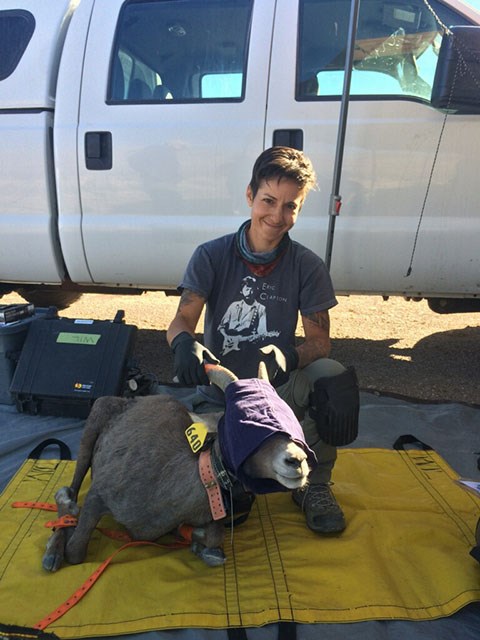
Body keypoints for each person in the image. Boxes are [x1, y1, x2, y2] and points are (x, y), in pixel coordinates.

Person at [167, 146, 359, 535]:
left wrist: (288, 356)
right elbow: (182, 320)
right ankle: (235, 477)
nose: (277, 215)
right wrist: (182, 344)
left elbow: (320, 343)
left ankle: (315, 486)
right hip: (223, 392)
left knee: (331, 379)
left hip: (277, 392)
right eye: (269, 200)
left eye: (291, 206)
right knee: (197, 482)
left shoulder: (307, 265)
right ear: (250, 195)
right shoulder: (211, 255)